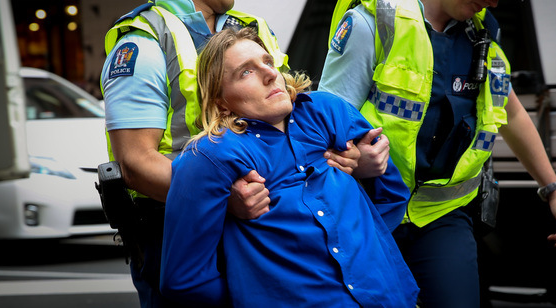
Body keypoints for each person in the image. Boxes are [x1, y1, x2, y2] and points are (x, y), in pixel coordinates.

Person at [100, 0, 383, 306]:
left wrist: (349, 158)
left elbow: (296, 121)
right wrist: (216, 198)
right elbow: (135, 162)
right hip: (179, 235)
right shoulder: (142, 43)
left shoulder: (253, 31)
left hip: (267, 231)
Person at [317, 0, 556, 307]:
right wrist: (355, 160)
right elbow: (325, 125)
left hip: (443, 215)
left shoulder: (481, 36)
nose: (493, 0)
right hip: (369, 209)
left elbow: (512, 112)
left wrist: (552, 189)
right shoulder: (373, 20)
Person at [160, 27, 420, 307]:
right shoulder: (211, 156)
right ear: (220, 102)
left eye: (267, 62)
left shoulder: (327, 111)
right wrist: (251, 291)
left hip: (387, 297)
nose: (270, 74)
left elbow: (392, 193)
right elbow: (184, 280)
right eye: (246, 72)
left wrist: (371, 249)